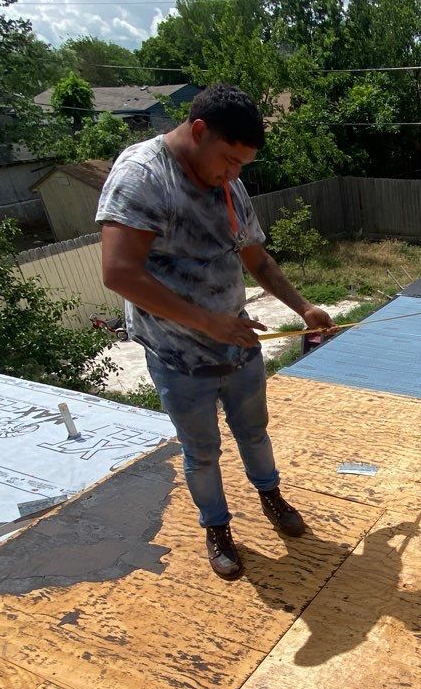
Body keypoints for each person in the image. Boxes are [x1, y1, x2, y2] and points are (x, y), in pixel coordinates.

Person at [97, 83, 334, 581]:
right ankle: (217, 527)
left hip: (237, 342)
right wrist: (209, 323)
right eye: (228, 158)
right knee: (202, 452)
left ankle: (270, 496)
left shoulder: (229, 185)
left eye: (242, 165)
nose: (233, 172)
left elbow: (256, 258)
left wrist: (304, 306)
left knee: (255, 431)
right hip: (179, 355)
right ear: (198, 130)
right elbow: (119, 272)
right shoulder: (143, 175)